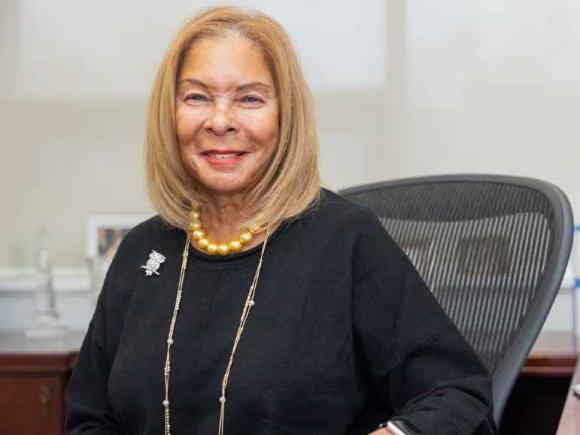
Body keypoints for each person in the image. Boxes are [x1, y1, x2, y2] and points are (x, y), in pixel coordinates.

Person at [66, 6, 496, 435]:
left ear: (285, 116)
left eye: (249, 99)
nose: (219, 121)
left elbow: (458, 395)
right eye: (196, 97)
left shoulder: (346, 242)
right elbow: (90, 417)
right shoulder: (144, 250)